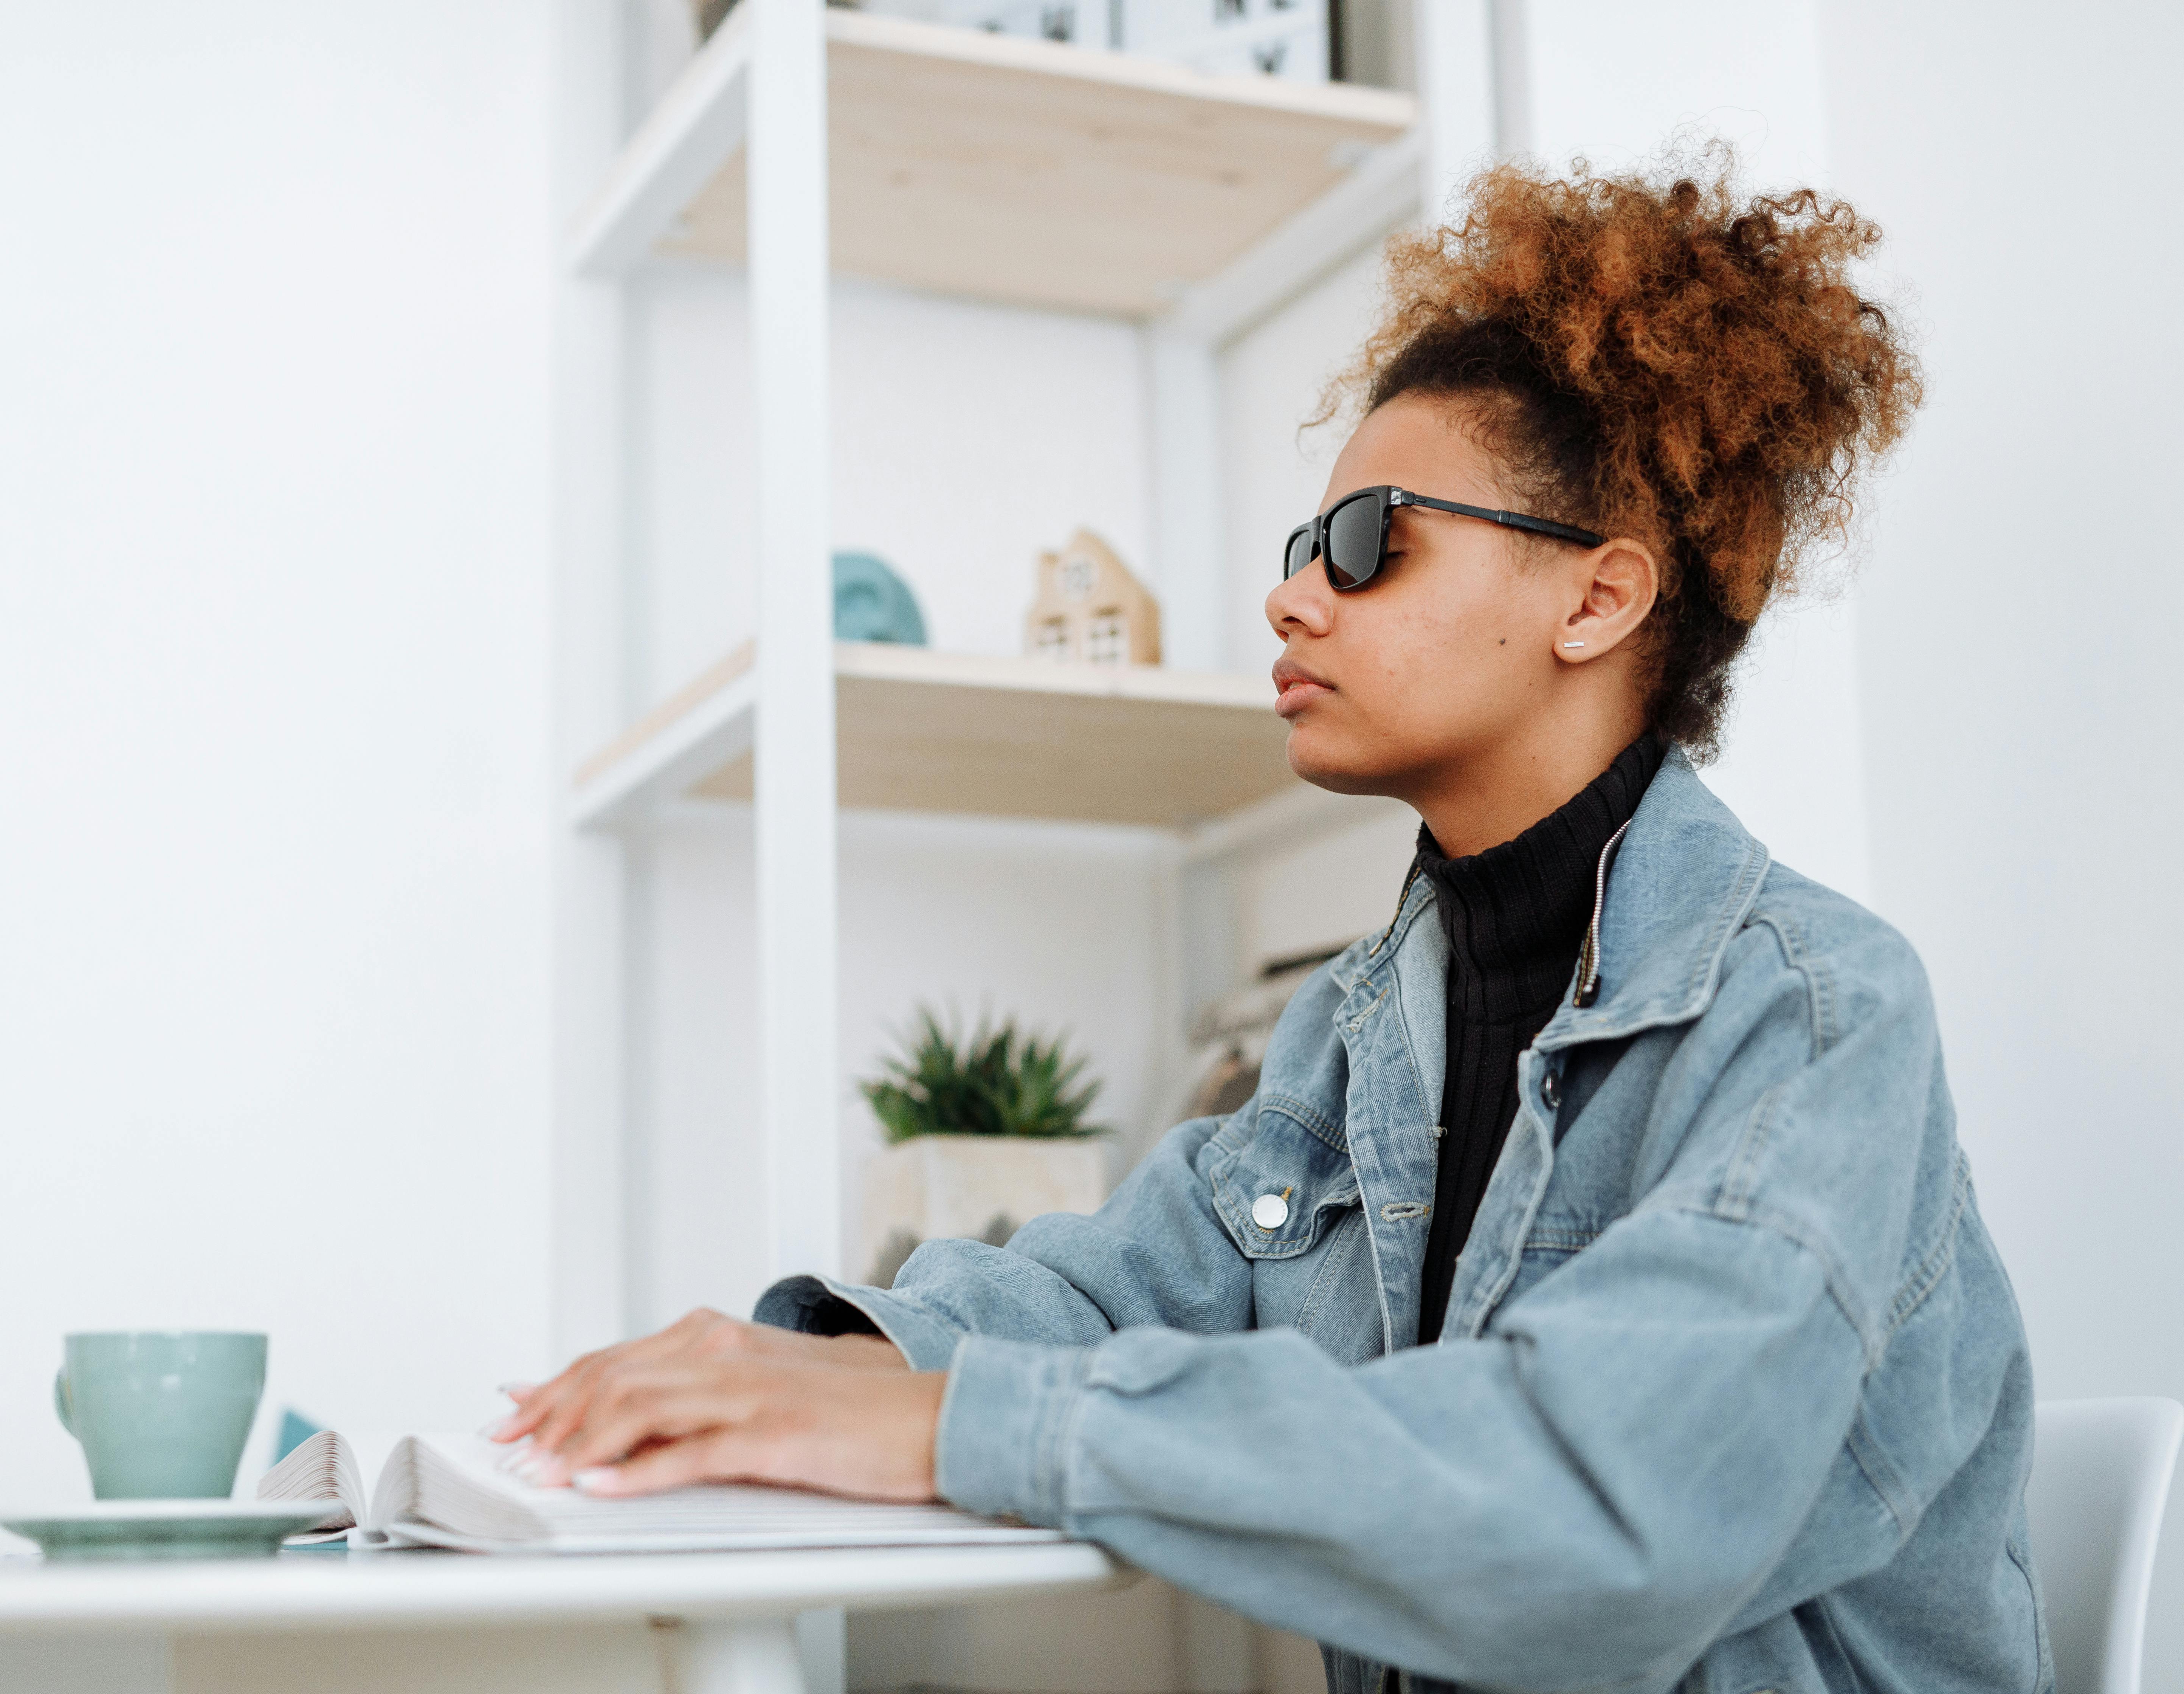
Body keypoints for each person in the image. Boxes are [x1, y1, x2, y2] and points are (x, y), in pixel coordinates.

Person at [496, 158, 2043, 1694]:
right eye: (1302, 553)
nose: (1296, 600)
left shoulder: (1820, 1015)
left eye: (1371, 539)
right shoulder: (1356, 1035)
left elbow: (1611, 1503)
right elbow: (1110, 1285)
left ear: (1597, 601)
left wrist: (943, 1428)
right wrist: (812, 1368)